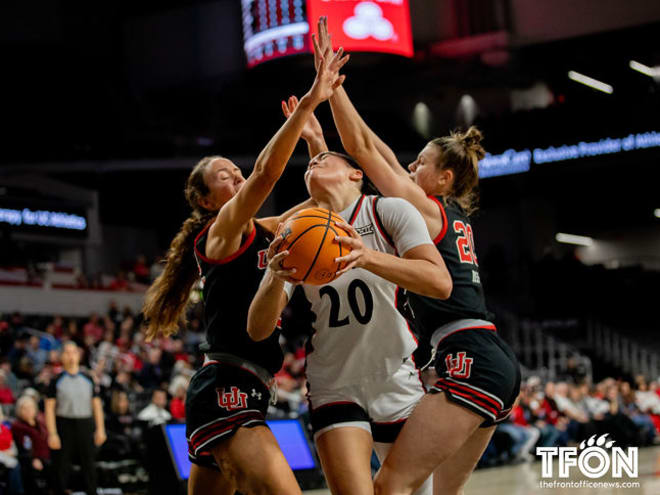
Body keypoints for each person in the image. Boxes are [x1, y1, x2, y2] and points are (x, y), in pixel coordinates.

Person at [312, 17, 522, 494]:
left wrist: (333, 86)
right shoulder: (447, 218)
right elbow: (378, 152)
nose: (409, 167)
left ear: (444, 179)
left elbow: (364, 150)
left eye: (420, 163)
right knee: (439, 492)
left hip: (467, 353)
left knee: (391, 486)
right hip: (491, 357)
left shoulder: (427, 212)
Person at [141, 45, 349, 495]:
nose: (235, 177)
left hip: (250, 385)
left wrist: (316, 142)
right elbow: (266, 175)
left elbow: (327, 203)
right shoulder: (218, 233)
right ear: (204, 200)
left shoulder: (261, 228)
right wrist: (311, 100)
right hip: (226, 387)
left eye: (235, 170)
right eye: (223, 176)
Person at [248, 87, 452, 495]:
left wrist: (367, 257)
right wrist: (273, 275)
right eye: (310, 164)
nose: (313, 165)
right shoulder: (297, 234)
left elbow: (439, 282)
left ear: (356, 173)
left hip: (396, 375)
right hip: (334, 380)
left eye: (324, 159)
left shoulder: (387, 211)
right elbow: (256, 329)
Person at [45, 341, 106, 495]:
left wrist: (100, 429)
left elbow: (97, 406)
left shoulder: (88, 378)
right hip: (63, 424)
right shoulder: (56, 380)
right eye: (67, 352)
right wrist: (52, 433)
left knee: (89, 465)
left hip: (85, 424)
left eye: (73, 352)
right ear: (62, 356)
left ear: (78, 355)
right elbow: (49, 408)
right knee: (61, 466)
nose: (71, 355)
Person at [12, 394, 52, 494]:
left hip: (47, 456)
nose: (28, 410)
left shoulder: (41, 422)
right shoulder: (18, 426)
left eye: (30, 407)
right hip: (30, 459)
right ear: (19, 411)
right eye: (25, 408)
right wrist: (34, 459)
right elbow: (24, 447)